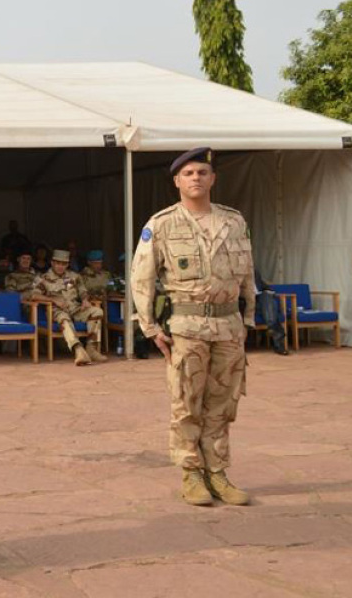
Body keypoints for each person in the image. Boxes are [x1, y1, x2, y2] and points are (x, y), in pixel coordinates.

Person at [131, 146, 255, 507]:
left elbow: (247, 273)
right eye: (188, 174)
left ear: (213, 178)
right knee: (186, 403)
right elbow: (142, 278)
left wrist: (248, 319)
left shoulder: (234, 221)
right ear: (177, 182)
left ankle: (217, 472)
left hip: (228, 326)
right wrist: (150, 328)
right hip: (186, 327)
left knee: (222, 404)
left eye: (202, 172)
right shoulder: (162, 224)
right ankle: (191, 474)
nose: (196, 178)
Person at [31, 250, 107, 365]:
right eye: (58, 263)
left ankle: (91, 348)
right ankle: (78, 350)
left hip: (75, 308)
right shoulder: (44, 278)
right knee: (64, 320)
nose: (60, 266)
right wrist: (53, 300)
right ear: (52, 263)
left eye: (63, 264)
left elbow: (83, 291)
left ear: (67, 264)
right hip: (57, 310)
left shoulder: (74, 276)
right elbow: (34, 295)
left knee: (97, 312)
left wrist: (85, 300)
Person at [254, 269, 290, 355]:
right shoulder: (233, 274)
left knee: (267, 298)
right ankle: (276, 335)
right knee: (269, 307)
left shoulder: (254, 272)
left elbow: (264, 286)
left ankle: (278, 344)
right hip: (242, 301)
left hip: (258, 301)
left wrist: (268, 291)